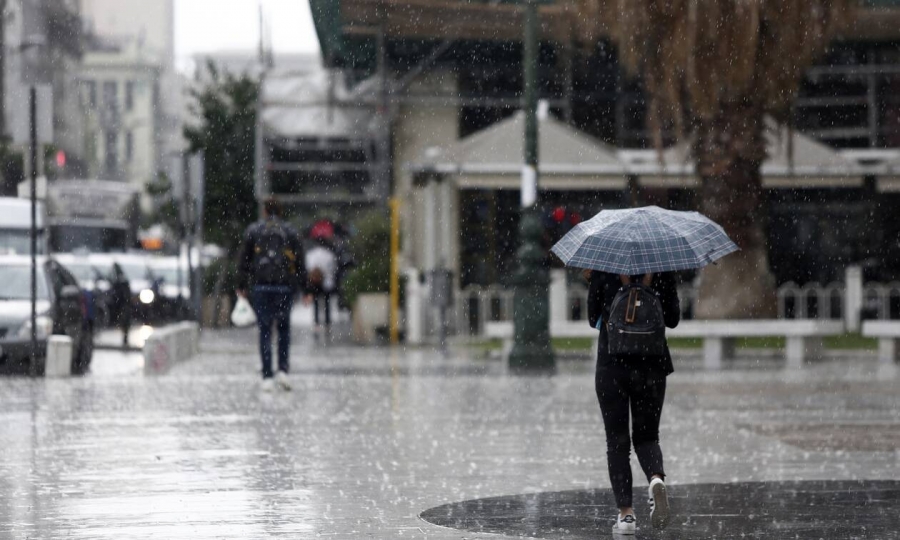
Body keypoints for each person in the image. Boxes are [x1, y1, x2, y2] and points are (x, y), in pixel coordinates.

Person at [586, 270, 680, 535]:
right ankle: (655, 479)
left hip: (612, 363)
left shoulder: (604, 267)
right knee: (648, 436)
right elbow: (672, 320)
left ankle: (626, 515)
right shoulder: (661, 266)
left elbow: (593, 319)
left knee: (617, 442)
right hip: (652, 364)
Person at [237, 198, 306, 392]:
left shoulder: (254, 231)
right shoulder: (290, 231)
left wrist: (241, 285)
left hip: (261, 287)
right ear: (280, 211)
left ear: (265, 211)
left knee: (265, 330)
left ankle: (267, 375)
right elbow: (300, 261)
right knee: (284, 330)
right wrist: (306, 288)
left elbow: (244, 260)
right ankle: (283, 371)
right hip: (284, 287)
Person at [304, 237, 337, 339]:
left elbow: (308, 267)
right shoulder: (329, 254)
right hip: (326, 282)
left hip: (314, 282)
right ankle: (327, 322)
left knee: (316, 303)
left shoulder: (310, 254)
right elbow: (333, 268)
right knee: (326, 303)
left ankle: (317, 323)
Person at [109, 263, 132, 348]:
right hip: (124, 304)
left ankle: (125, 338)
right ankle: (125, 338)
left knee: (125, 322)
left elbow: (121, 294)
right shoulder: (122, 280)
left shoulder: (120, 281)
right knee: (125, 322)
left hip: (123, 305)